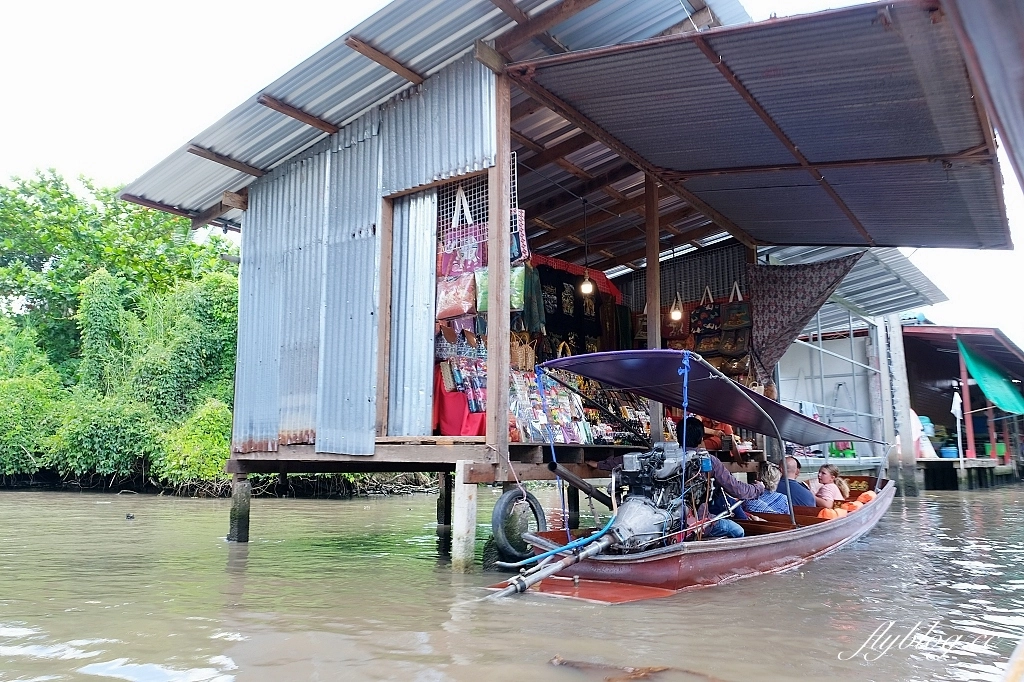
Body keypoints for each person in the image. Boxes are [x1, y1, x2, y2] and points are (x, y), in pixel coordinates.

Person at [680, 417, 764, 539]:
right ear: (700, 438)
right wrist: (758, 488)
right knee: (737, 531)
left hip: (671, 521)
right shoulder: (708, 460)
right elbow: (737, 489)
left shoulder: (663, 460)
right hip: (698, 523)